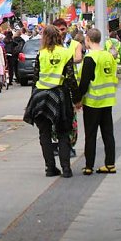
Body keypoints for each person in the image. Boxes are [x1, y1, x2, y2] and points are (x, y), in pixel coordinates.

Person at [23, 26, 80, 178]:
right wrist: (77, 99)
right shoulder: (66, 53)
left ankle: (50, 168)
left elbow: (35, 79)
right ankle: (66, 169)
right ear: (59, 36)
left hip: (41, 95)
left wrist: (32, 100)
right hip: (59, 95)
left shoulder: (41, 54)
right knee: (63, 132)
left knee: (44, 133)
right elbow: (70, 78)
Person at [76, 29, 118, 175]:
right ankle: (110, 164)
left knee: (91, 134)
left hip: (93, 101)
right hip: (108, 99)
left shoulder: (90, 58)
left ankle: (89, 166)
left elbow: (85, 82)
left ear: (87, 39)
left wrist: (78, 99)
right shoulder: (108, 55)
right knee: (108, 133)